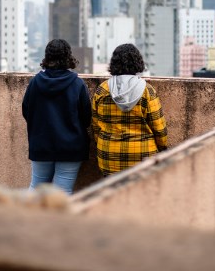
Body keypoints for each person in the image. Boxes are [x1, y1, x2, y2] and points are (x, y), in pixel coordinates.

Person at [21, 38, 91, 194]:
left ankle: (27, 218)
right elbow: (87, 117)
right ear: (68, 57)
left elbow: (26, 111)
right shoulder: (77, 84)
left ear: (47, 57)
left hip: (41, 144)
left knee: (36, 188)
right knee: (62, 193)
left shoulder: (34, 83)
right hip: (71, 147)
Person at [91, 43, 168, 177]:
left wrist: (104, 142)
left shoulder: (102, 90)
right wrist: (162, 148)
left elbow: (95, 125)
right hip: (142, 158)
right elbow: (159, 128)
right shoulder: (147, 91)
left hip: (109, 156)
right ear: (137, 62)